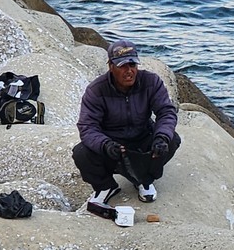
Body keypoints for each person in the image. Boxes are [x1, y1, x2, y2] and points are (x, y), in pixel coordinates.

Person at [73, 39, 181, 206]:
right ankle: (105, 186)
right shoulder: (96, 90)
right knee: (81, 153)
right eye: (122, 66)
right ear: (110, 66)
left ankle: (144, 180)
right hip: (112, 144)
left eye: (132, 65)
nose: (129, 71)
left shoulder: (151, 82)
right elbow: (87, 127)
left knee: (172, 139)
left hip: (142, 138)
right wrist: (105, 145)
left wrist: (161, 138)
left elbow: (166, 112)